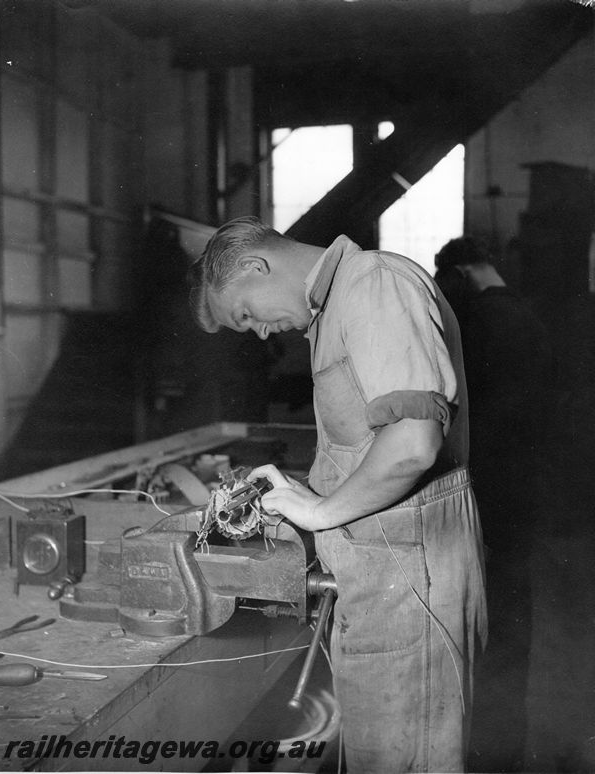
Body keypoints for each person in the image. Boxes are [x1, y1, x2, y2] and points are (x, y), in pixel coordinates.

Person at [188, 217, 487, 774]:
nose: (256, 332)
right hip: (383, 582)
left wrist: (320, 510)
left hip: (411, 585)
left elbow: (413, 445)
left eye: (246, 314)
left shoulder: (374, 283)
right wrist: (306, 492)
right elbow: (369, 449)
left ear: (256, 267)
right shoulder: (334, 311)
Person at [434, 236, 553, 773]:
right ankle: (511, 741)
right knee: (515, 608)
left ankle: (486, 745)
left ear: (459, 272)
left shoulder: (479, 320)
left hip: (489, 485)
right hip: (526, 483)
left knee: (486, 615)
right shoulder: (529, 314)